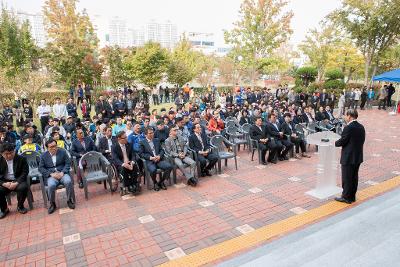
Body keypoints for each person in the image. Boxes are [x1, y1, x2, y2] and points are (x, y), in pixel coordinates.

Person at [334, 109, 365, 204]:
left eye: (345, 115)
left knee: (347, 178)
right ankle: (352, 196)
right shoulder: (361, 127)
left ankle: (346, 197)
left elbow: (343, 140)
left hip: (348, 157)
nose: (345, 117)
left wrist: (334, 142)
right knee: (354, 177)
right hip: (358, 156)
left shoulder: (349, 127)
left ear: (350, 116)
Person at [39, 138, 75, 214]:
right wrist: (51, 174)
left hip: (62, 173)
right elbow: (41, 168)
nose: (54, 148)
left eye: (55, 146)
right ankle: (52, 204)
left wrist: (63, 172)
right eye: (51, 147)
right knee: (51, 185)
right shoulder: (43, 156)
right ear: (47, 148)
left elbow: (68, 163)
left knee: (68, 181)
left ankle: (69, 200)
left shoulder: (62, 152)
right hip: (51, 175)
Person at [0, 142, 30, 219]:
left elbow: (25, 172)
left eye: (11, 153)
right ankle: (4, 209)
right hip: (5, 182)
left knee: (23, 187)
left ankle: (20, 206)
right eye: (6, 154)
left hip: (18, 180)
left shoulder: (21, 159)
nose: (9, 155)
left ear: (14, 151)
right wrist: (4, 184)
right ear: (1, 154)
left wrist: (16, 182)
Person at [139, 127, 173, 191]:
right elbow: (141, 154)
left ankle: (161, 182)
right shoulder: (142, 142)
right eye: (150, 133)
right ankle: (155, 182)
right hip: (150, 161)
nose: (152, 134)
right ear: (145, 135)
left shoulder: (156, 140)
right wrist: (150, 158)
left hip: (159, 159)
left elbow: (162, 150)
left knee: (169, 166)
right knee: (153, 170)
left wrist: (159, 156)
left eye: (152, 133)